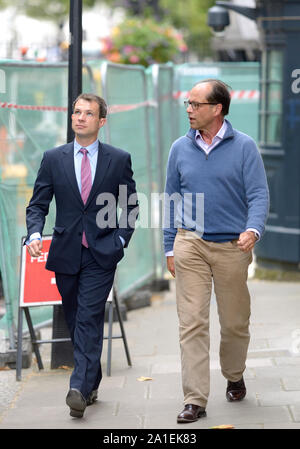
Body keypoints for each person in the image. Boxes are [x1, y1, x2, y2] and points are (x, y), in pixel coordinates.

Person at [26, 93, 138, 418]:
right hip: (65, 252)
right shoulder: (53, 158)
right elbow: (38, 204)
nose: (80, 117)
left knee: (88, 317)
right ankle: (92, 380)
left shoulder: (118, 159)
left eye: (88, 113)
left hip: (102, 253)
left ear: (101, 121)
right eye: (76, 112)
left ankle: (77, 388)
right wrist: (35, 233)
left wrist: (120, 240)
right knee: (76, 319)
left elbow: (130, 205)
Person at [163, 79, 269, 423]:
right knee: (191, 322)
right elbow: (171, 199)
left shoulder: (245, 147)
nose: (189, 110)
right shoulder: (180, 147)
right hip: (189, 242)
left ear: (216, 108)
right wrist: (169, 245)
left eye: (195, 104)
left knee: (235, 322)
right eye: (188, 104)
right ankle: (195, 399)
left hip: (232, 246)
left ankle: (234, 373)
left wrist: (252, 230)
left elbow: (258, 195)